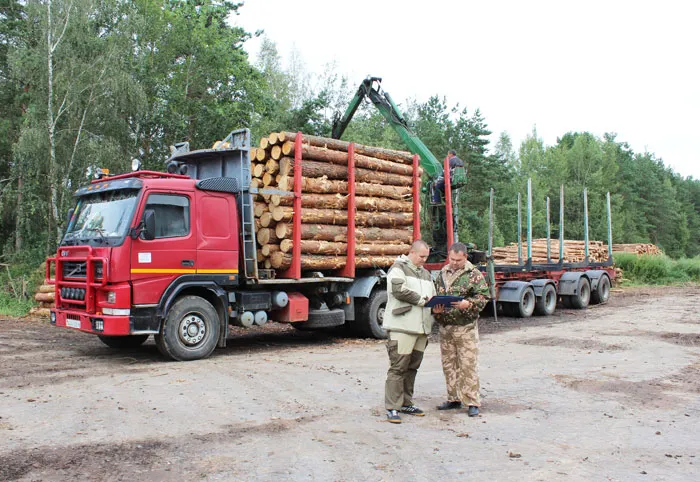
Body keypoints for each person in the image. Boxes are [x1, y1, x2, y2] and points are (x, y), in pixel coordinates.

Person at [383, 240, 437, 424]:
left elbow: (433, 297)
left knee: (412, 367)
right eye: (421, 256)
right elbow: (398, 290)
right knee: (398, 367)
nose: (424, 260)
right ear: (411, 252)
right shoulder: (398, 268)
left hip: (421, 329)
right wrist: (422, 300)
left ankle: (406, 402)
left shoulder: (426, 274)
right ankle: (392, 407)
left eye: (426, 257)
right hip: (402, 327)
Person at [433, 242, 490, 417]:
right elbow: (436, 294)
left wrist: (469, 304)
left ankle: (472, 401)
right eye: (451, 259)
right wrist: (435, 309)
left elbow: (484, 297)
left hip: (465, 327)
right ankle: (453, 399)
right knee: (449, 365)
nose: (454, 262)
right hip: (446, 327)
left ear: (465, 257)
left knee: (468, 365)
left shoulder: (473, 274)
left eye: (458, 260)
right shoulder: (442, 274)